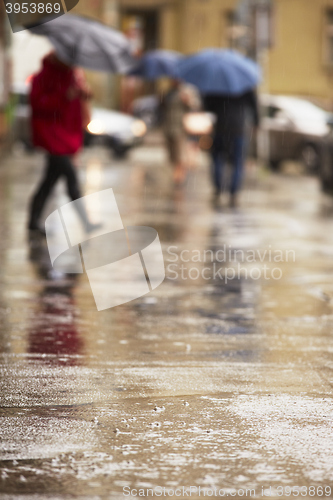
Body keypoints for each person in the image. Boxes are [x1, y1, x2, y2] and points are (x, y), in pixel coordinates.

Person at [28, 52, 100, 236]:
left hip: (66, 137)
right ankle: (86, 223)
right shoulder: (42, 78)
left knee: (49, 181)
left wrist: (83, 94)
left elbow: (74, 109)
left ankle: (33, 221)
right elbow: (39, 105)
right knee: (70, 178)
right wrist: (64, 96)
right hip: (52, 137)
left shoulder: (72, 77)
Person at [204, 89, 260, 207]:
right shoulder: (245, 86)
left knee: (218, 158)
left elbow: (208, 105)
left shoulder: (217, 84)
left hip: (221, 127)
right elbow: (253, 105)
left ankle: (218, 188)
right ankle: (233, 192)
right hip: (238, 128)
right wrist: (257, 122)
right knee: (237, 162)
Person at [161, 79, 189, 184]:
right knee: (171, 152)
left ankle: (180, 173)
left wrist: (187, 101)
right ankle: (174, 171)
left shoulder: (185, 93)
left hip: (179, 127)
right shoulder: (168, 93)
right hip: (168, 126)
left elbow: (193, 107)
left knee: (179, 151)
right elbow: (162, 108)